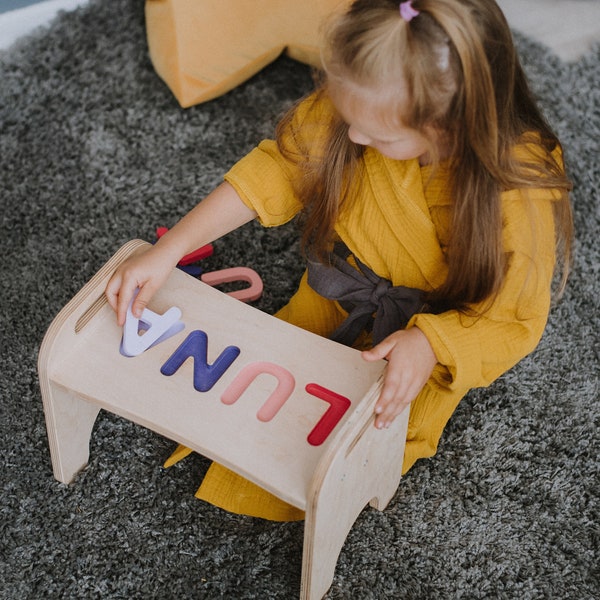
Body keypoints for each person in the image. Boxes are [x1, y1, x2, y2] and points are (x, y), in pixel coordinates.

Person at [105, 0, 573, 520]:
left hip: (428, 332)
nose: (353, 137)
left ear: (452, 122)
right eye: (346, 114)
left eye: (381, 134)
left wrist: (430, 343)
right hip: (339, 287)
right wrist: (169, 250)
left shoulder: (518, 191)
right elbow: (282, 167)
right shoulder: (366, 103)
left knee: (348, 454)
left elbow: (513, 316)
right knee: (248, 392)